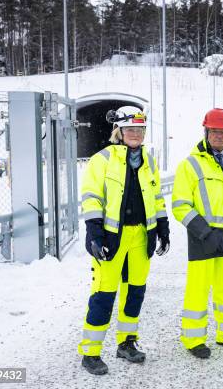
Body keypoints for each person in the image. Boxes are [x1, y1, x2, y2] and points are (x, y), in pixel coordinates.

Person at [78, 106, 170, 375]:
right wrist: (95, 234)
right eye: (130, 129)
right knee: (104, 294)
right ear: (118, 131)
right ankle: (91, 352)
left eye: (140, 129)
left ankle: (126, 343)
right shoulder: (102, 159)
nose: (135, 134)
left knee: (135, 292)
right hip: (111, 238)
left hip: (141, 236)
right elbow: (92, 197)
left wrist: (162, 228)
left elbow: (156, 198)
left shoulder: (148, 161)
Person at [172, 108, 223, 359]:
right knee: (198, 290)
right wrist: (203, 230)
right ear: (206, 132)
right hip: (203, 238)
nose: (219, 136)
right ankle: (194, 339)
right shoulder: (191, 164)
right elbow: (180, 205)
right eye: (215, 131)